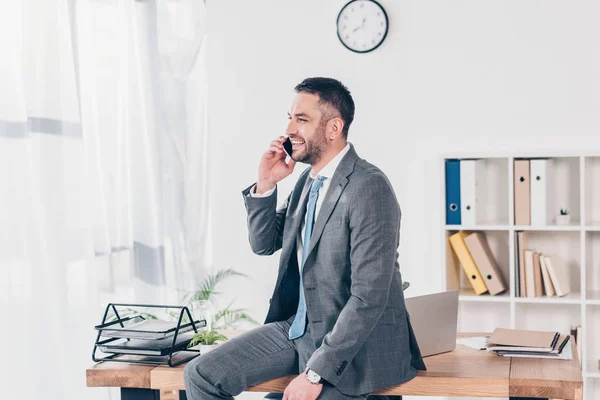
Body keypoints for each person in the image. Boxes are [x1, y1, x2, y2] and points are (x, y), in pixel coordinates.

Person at [184, 77, 425, 400]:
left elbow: (369, 297)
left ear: (333, 128)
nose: (289, 129)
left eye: (301, 119)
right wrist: (266, 183)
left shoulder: (369, 187)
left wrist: (314, 372)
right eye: (289, 117)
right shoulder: (307, 183)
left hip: (354, 347)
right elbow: (264, 242)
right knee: (201, 375)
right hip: (298, 329)